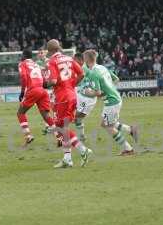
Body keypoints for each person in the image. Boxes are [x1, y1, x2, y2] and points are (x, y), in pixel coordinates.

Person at [80, 49, 138, 156]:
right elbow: (116, 79)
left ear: (87, 59)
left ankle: (128, 149)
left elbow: (98, 93)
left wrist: (86, 92)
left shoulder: (93, 73)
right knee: (108, 122)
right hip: (114, 99)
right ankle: (130, 129)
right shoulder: (102, 67)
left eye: (83, 59)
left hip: (111, 102)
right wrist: (109, 88)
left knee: (107, 126)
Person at [45, 39, 92, 168]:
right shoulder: (69, 58)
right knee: (61, 126)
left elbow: (53, 81)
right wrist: (72, 85)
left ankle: (82, 150)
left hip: (62, 97)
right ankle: (67, 159)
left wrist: (44, 84)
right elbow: (81, 74)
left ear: (49, 51)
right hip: (72, 95)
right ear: (59, 48)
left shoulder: (52, 61)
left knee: (61, 127)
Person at [17, 49, 55, 145]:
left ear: (24, 55)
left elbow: (24, 77)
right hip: (42, 90)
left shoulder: (22, 63)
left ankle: (28, 136)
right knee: (46, 116)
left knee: (20, 113)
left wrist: (22, 92)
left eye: (22, 55)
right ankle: (60, 137)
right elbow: (43, 79)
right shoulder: (36, 64)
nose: (21, 57)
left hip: (33, 90)